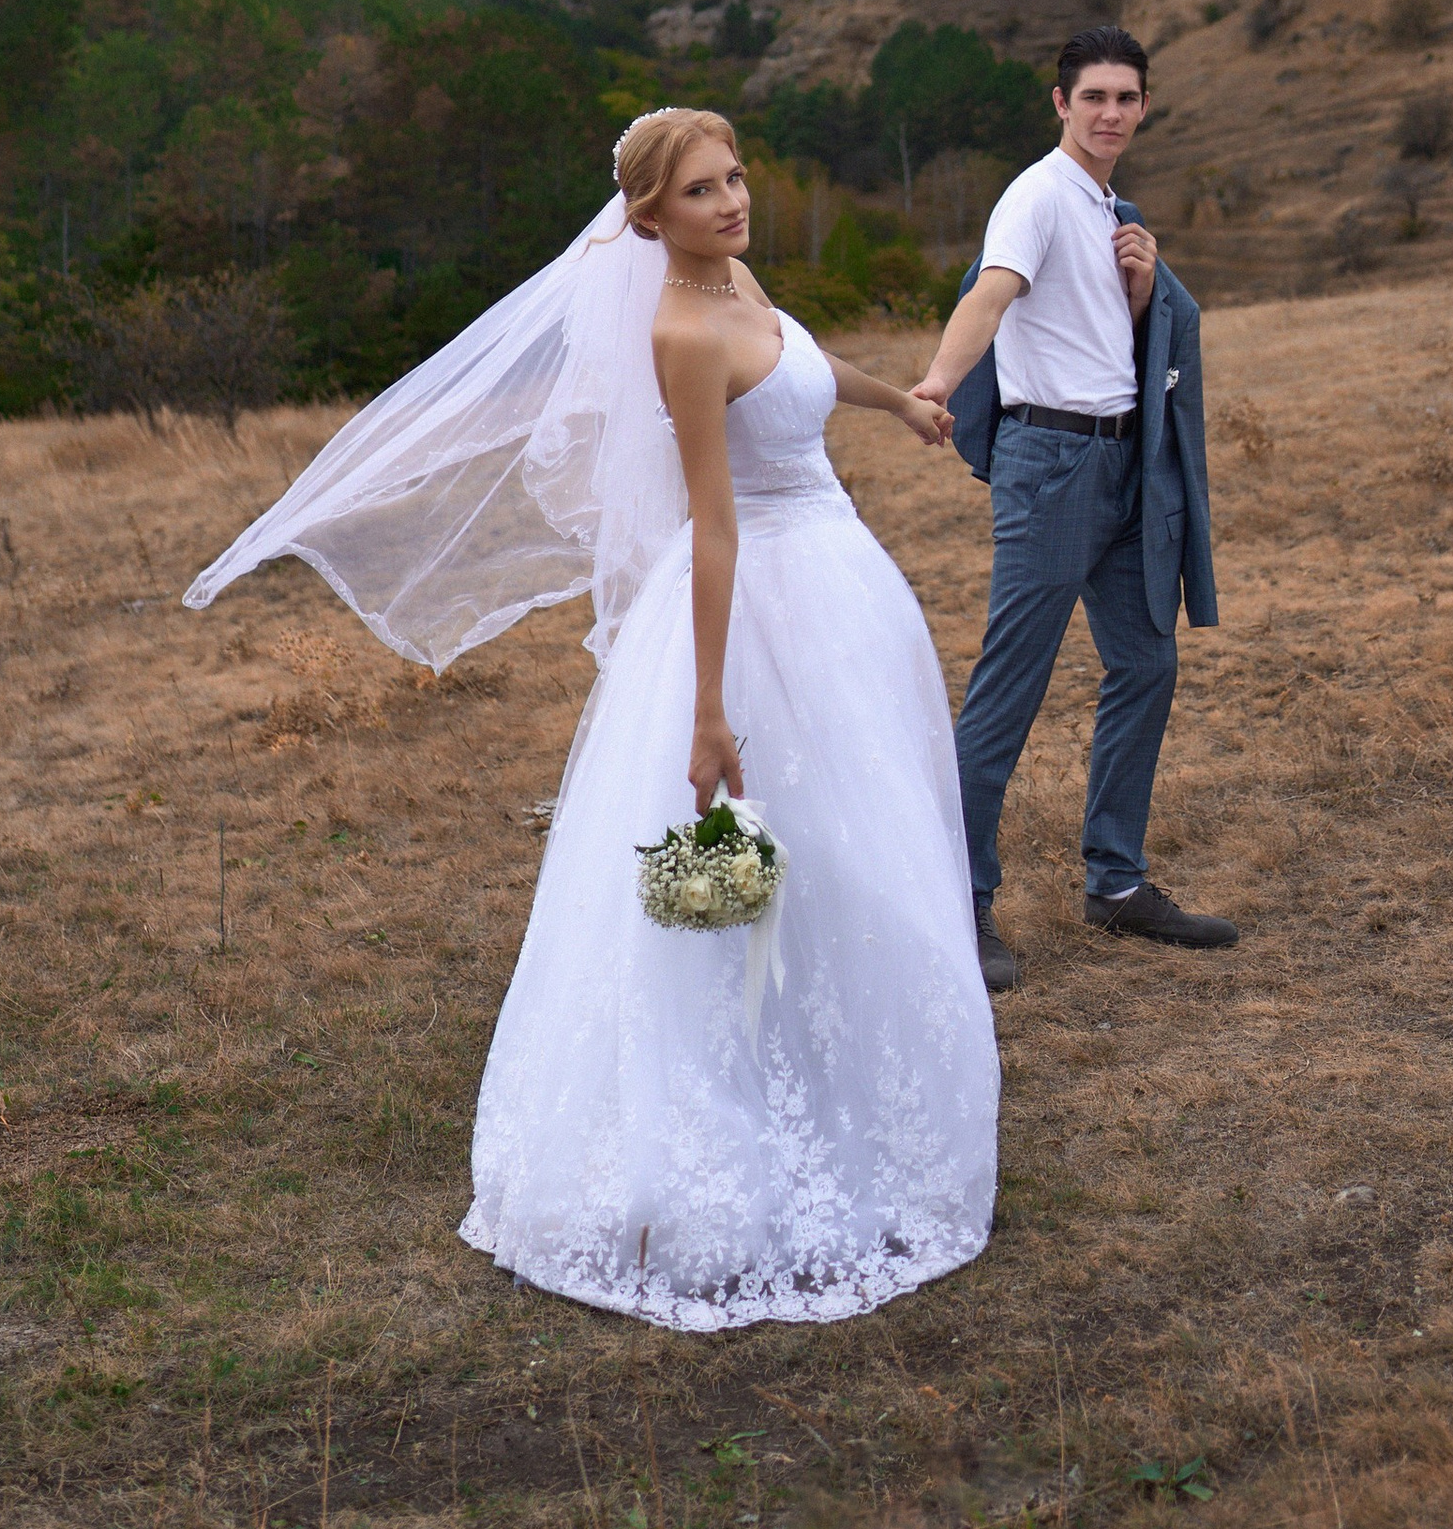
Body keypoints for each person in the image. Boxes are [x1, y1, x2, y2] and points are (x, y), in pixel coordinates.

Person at [183, 109, 996, 1332]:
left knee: (857, 844)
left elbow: (804, 367)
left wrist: (898, 405)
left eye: (734, 179)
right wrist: (709, 709)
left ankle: (848, 1071)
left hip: (841, 593)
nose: (733, 202)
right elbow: (713, 526)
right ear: (648, 217)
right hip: (755, 605)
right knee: (745, 873)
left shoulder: (736, 283)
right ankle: (725, 1118)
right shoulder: (680, 330)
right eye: (702, 191)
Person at [911, 25, 1228, 990]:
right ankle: (961, 901)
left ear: (1144, 106)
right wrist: (937, 383)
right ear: (1061, 103)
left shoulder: (1108, 211)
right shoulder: (1039, 195)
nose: (1110, 114)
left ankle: (1116, 883)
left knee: (1146, 663)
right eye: (1094, 96)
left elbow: (1097, 338)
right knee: (1012, 684)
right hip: (1052, 465)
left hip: (1126, 461)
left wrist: (1138, 290)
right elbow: (994, 294)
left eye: (1126, 98)